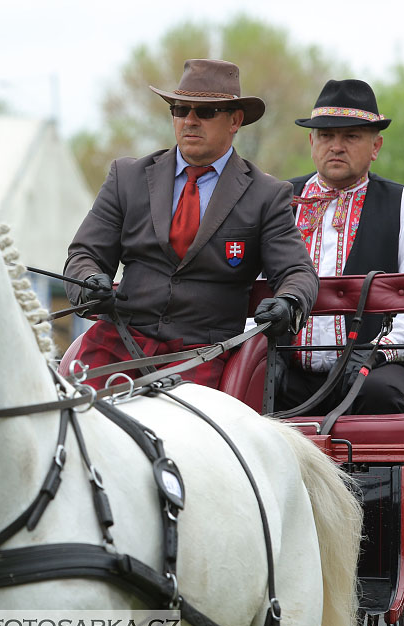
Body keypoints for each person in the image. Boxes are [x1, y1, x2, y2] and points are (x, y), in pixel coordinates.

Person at [64, 59, 318, 389]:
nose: (190, 121)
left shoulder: (266, 195)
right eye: (180, 109)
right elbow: (85, 254)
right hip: (118, 342)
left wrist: (288, 303)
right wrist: (89, 281)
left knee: (180, 435)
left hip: (203, 354)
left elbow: (298, 272)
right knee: (66, 415)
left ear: (235, 120)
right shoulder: (126, 178)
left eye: (206, 112)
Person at [278, 78, 404, 414]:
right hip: (283, 365)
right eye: (326, 136)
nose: (336, 146)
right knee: (237, 399)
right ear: (312, 142)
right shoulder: (279, 201)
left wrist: (382, 349)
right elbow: (250, 288)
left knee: (382, 394)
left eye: (351, 136)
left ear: (376, 147)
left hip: (372, 370)